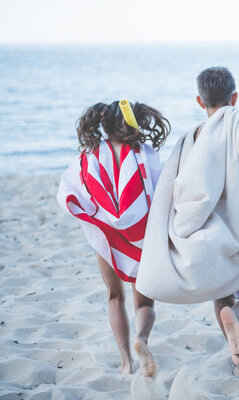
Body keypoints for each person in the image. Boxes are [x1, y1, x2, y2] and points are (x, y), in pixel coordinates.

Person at [136, 67, 239, 376]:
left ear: (200, 101)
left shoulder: (193, 136)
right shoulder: (236, 117)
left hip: (204, 231)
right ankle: (236, 323)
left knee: (223, 294)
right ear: (234, 97)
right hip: (237, 226)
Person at [56, 100, 171, 376]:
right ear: (133, 123)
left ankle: (126, 363)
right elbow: (160, 192)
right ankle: (141, 339)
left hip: (107, 237)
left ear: (103, 125)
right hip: (141, 237)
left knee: (114, 296)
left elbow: (75, 189)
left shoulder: (91, 156)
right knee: (144, 302)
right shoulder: (144, 153)